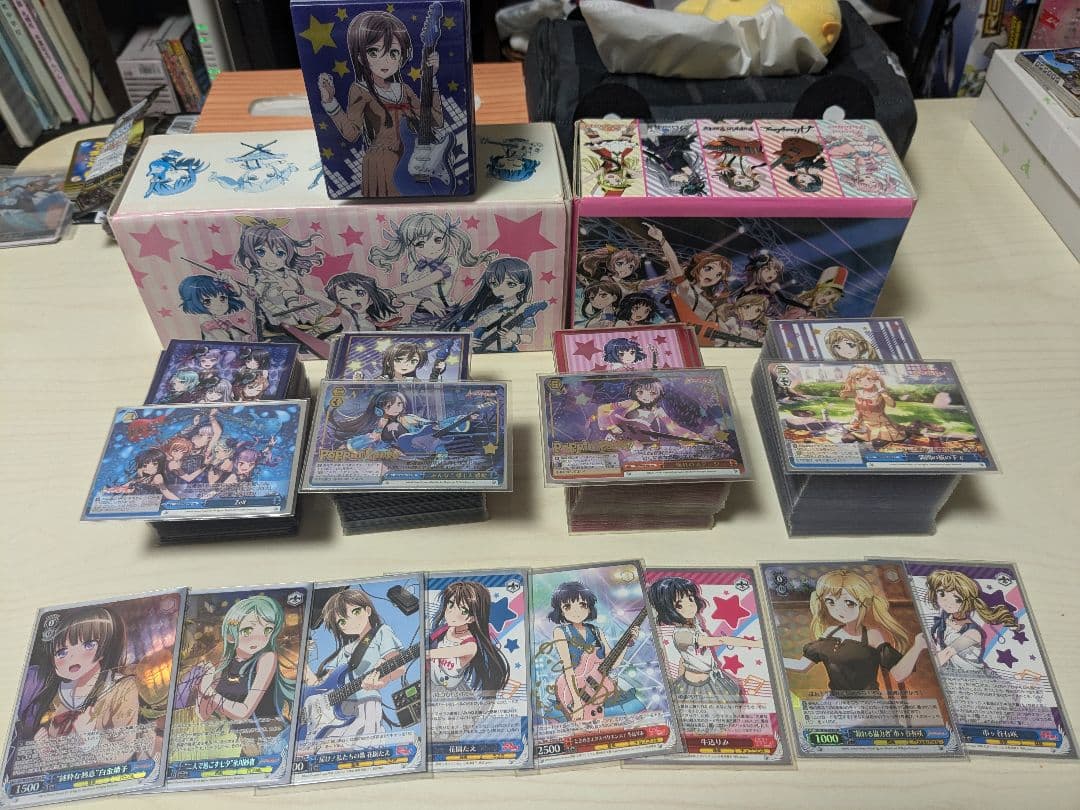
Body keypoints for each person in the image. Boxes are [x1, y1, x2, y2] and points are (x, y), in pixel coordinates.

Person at [317, 10, 443, 197]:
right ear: (360, 56)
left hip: (413, 159)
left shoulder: (404, 89)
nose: (385, 60)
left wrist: (432, 79)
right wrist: (329, 101)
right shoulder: (360, 90)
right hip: (382, 162)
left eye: (393, 53)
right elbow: (352, 133)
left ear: (402, 57)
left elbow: (435, 121)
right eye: (374, 52)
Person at [14, 607, 140, 765]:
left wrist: (91, 739)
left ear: (106, 646)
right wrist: (42, 749)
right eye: (62, 652)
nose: (73, 657)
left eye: (88, 644)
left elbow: (125, 749)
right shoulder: (52, 690)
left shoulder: (121, 688)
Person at [783, 569, 927, 698]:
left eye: (849, 603)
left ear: (864, 604)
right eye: (830, 602)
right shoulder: (830, 633)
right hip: (836, 703)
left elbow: (898, 674)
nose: (839, 610)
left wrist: (917, 647)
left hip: (868, 705)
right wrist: (772, 660)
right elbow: (802, 666)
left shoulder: (872, 636)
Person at [647, 576, 760, 733]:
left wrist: (677, 678)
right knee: (699, 724)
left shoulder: (694, 622)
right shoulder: (682, 634)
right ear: (668, 610)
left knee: (720, 720)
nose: (689, 605)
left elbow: (684, 659)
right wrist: (756, 643)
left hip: (713, 680)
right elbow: (720, 640)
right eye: (679, 604)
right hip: (694, 687)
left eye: (690, 599)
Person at [303, 589, 407, 739]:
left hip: (365, 704)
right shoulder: (344, 651)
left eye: (356, 612)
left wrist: (382, 680)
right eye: (342, 621)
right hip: (336, 711)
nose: (350, 622)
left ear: (368, 611)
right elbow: (322, 685)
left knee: (362, 743)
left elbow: (398, 666)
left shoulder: (381, 632)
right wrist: (301, 665)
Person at [369, 213, 495, 326]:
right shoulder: (412, 267)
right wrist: (423, 302)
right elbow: (403, 297)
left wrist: (390, 292)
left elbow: (425, 282)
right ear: (411, 246)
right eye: (420, 244)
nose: (431, 247)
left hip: (446, 313)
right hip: (420, 315)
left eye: (437, 240)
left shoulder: (450, 261)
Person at [546, 581, 640, 722]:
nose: (576, 611)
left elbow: (613, 663)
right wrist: (577, 702)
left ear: (589, 607)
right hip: (573, 689)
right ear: (560, 610)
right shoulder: (561, 632)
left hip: (598, 687)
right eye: (568, 606)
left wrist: (627, 643)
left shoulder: (596, 631)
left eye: (582, 605)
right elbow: (568, 668)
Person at [427, 582, 509, 737]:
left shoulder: (470, 644)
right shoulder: (443, 630)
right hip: (432, 685)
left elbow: (447, 652)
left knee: (448, 734)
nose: (452, 612)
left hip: (451, 696)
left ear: (472, 618)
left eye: (463, 610)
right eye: (451, 604)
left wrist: (426, 653)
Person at [443, 257, 537, 352]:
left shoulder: (525, 309)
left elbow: (529, 337)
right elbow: (473, 326)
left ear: (521, 287)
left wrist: (517, 337)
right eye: (494, 284)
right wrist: (467, 338)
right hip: (484, 352)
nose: (501, 289)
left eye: (510, 284)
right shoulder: (492, 308)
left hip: (508, 353)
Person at [839, 366, 905, 444]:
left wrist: (881, 390)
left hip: (880, 423)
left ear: (875, 379)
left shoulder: (879, 393)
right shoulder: (859, 393)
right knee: (847, 438)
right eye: (859, 380)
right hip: (864, 424)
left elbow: (892, 404)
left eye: (868, 379)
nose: (864, 382)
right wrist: (855, 417)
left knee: (879, 441)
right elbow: (858, 410)